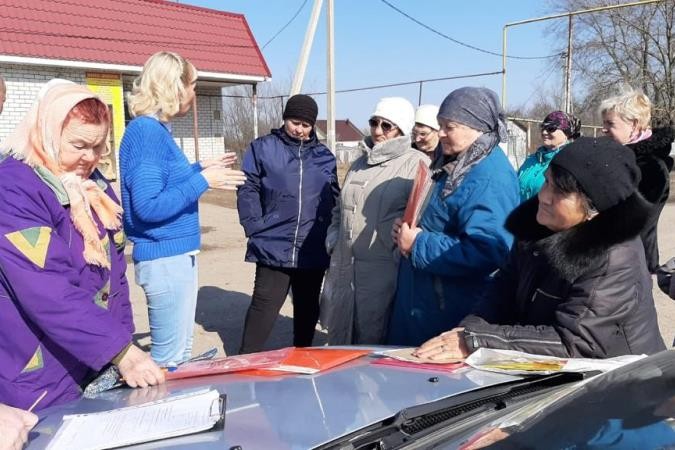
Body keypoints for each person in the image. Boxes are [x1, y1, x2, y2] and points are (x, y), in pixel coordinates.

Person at [416, 137, 666, 361]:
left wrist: (477, 341)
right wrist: (469, 329)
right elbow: (503, 288)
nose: (544, 196)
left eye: (560, 192)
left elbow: (575, 342)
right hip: (549, 368)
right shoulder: (535, 225)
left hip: (620, 384)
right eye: (547, 182)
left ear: (593, 210)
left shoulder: (614, 256)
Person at [0, 81, 165, 411]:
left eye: (99, 146)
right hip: (40, 371)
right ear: (47, 132)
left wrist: (122, 343)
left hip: (91, 359)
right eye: (79, 145)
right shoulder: (14, 188)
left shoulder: (94, 189)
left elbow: (115, 278)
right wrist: (118, 350)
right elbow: (47, 289)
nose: (90, 157)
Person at [119, 51, 246, 365]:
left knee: (180, 356)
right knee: (169, 360)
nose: (193, 93)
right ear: (173, 87)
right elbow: (147, 206)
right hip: (164, 260)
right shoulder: (147, 133)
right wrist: (203, 180)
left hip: (172, 258)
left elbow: (163, 184)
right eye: (192, 85)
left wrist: (200, 168)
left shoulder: (154, 130)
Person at [387, 87, 520, 346]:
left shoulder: (490, 177)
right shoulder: (458, 163)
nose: (441, 133)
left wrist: (417, 243)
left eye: (450, 126)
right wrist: (409, 229)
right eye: (440, 125)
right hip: (426, 297)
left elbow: (489, 249)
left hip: (449, 309)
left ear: (476, 126)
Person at [320, 97, 430, 345]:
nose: (378, 131)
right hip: (344, 266)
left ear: (401, 129)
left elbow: (422, 217)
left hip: (383, 271)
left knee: (374, 341)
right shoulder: (359, 163)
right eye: (374, 122)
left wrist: (395, 249)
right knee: (340, 336)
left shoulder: (417, 164)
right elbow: (339, 208)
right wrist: (334, 238)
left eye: (386, 125)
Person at [237, 94, 340, 354]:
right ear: (285, 119)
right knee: (264, 306)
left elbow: (335, 196)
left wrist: (331, 234)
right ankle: (245, 361)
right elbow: (248, 186)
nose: (300, 129)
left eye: (306, 125)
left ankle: (301, 357)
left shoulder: (325, 157)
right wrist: (254, 225)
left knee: (307, 308)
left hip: (311, 247)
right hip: (273, 243)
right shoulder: (263, 147)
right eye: (295, 122)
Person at [600, 89, 674, 273]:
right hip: (608, 256)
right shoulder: (618, 158)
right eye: (603, 123)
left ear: (634, 124)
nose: (603, 129)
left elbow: (631, 219)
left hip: (630, 263)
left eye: (610, 124)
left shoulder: (650, 167)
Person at [518, 110, 581, 201]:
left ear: (566, 133)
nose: (544, 132)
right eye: (543, 128)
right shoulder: (531, 160)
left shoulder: (569, 162)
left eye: (551, 128)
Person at [412, 104, 443, 168]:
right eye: (414, 134)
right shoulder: (409, 153)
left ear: (437, 131)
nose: (417, 139)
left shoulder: (447, 157)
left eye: (423, 134)